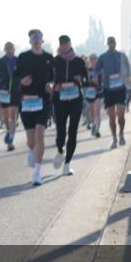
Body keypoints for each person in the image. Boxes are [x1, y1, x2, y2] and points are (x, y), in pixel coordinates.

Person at [13, 30, 55, 186]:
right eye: (33, 38)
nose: (36, 40)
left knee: (40, 135)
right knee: (31, 140)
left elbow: (53, 76)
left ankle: (37, 173)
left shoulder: (48, 58)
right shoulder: (23, 57)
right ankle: (31, 151)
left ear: (42, 41)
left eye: (38, 38)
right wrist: (21, 81)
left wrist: (51, 84)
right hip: (26, 101)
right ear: (30, 41)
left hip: (43, 100)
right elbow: (15, 75)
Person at [51, 35, 87, 176]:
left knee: (73, 131)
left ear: (70, 44)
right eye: (61, 44)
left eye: (66, 43)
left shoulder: (79, 61)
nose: (64, 46)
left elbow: (86, 78)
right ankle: (60, 150)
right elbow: (49, 78)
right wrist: (54, 86)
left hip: (75, 100)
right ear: (59, 45)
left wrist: (80, 80)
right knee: (61, 131)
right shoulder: (55, 61)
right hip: (59, 100)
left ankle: (67, 163)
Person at [93, 36, 131, 149]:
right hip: (108, 89)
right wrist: (95, 76)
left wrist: (129, 76)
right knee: (111, 117)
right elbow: (96, 69)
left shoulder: (122, 55)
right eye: (109, 42)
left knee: (120, 115)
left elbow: (128, 67)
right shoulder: (102, 57)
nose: (111, 44)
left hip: (120, 88)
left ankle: (121, 134)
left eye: (113, 42)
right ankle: (114, 138)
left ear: (115, 43)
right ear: (107, 44)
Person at [0, 42, 20, 151]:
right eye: (7, 48)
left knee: (13, 116)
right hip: (4, 92)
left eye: (11, 47)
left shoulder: (18, 60)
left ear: (14, 48)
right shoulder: (0, 61)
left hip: (16, 91)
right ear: (4, 49)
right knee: (6, 116)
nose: (9, 49)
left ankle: (11, 140)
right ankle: (8, 130)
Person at [84, 53, 103, 137]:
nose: (93, 60)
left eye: (94, 58)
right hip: (90, 92)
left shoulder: (101, 69)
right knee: (92, 112)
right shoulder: (87, 70)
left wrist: (99, 83)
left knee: (97, 111)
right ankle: (94, 125)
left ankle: (97, 129)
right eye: (91, 58)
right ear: (89, 60)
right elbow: (84, 81)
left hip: (99, 92)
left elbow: (104, 80)